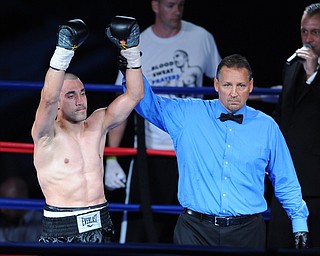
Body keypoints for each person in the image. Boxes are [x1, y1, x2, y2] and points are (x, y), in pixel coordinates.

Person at [120, 53, 309, 248]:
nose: (234, 93)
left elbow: (285, 178)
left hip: (247, 233)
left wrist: (299, 222)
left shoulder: (267, 127)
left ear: (251, 86)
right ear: (217, 85)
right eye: (227, 85)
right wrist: (132, 64)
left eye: (241, 86)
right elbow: (145, 102)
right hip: (195, 231)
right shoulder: (188, 115)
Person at [105, 0, 221, 243]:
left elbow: (225, 84)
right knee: (141, 229)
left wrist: (260, 93)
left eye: (180, 5)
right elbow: (122, 101)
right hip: (153, 151)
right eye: (170, 5)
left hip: (192, 150)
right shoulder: (141, 42)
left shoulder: (201, 37)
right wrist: (112, 157)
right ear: (155, 5)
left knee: (193, 226)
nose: (176, 11)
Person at [31, 17, 143, 243]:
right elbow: (48, 98)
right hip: (62, 226)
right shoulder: (46, 134)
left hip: (101, 221)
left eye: (82, 93)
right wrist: (63, 51)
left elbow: (134, 95)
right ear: (59, 104)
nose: (80, 100)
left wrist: (131, 50)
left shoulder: (98, 123)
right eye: (71, 95)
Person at [268, 3, 320, 249]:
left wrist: (313, 77)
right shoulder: (291, 66)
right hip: (287, 179)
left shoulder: (306, 67)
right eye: (304, 32)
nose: (308, 39)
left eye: (316, 32)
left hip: (316, 183)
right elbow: (282, 113)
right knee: (279, 244)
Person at [0, 176, 42, 242]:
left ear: (21, 199)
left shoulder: (40, 222)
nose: (3, 209)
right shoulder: (6, 221)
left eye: (8, 203)